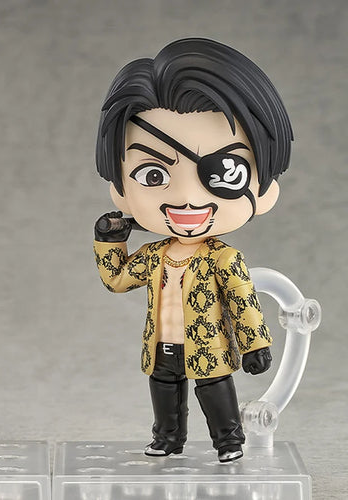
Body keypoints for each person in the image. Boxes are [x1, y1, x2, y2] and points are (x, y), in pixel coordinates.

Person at [93, 38, 293, 463]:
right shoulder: (154, 255)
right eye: (152, 175)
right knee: (164, 391)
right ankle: (167, 438)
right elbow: (117, 279)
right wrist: (110, 241)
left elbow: (243, 301)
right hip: (161, 344)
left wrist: (255, 344)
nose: (186, 199)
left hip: (209, 344)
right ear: (120, 190)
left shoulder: (223, 258)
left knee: (215, 391)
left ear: (265, 188)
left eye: (223, 172)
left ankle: (229, 441)